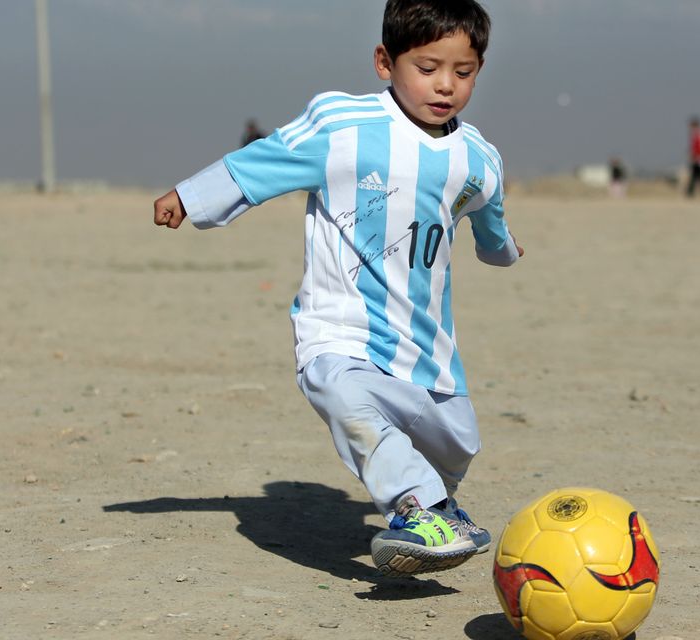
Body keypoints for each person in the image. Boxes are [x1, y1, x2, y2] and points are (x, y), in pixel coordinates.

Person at [152, 0, 523, 578]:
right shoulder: (342, 126)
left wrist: (501, 249)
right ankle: (416, 507)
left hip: (427, 347)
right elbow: (264, 162)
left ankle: (439, 504)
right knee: (350, 404)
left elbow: (491, 220)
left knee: (459, 444)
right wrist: (191, 195)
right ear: (385, 62)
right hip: (338, 330)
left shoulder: (478, 158)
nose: (445, 85)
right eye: (427, 68)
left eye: (464, 71)